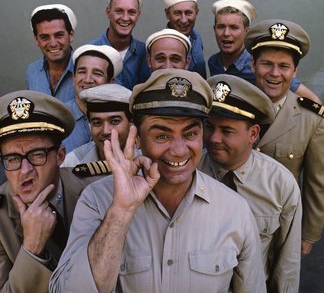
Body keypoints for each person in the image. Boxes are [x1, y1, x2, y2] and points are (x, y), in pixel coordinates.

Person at [50, 69, 266, 293]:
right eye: (162, 136)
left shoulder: (234, 209)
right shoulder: (97, 200)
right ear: (138, 139)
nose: (179, 150)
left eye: (190, 134)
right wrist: (121, 211)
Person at [200, 74, 302, 292]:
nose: (214, 138)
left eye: (227, 131)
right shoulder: (189, 172)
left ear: (253, 134)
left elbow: (287, 264)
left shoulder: (280, 184)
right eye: (209, 127)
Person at [0, 90, 96, 292]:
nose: (25, 171)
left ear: (60, 156)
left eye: (37, 155)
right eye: (13, 159)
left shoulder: (92, 187)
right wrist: (32, 247)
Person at [245, 19, 324, 258]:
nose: (275, 74)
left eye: (284, 66)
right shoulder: (236, 106)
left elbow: (316, 181)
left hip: (280, 230)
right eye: (266, 64)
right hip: (231, 225)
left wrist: (308, 234)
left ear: (295, 71)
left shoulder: (311, 118)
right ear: (252, 64)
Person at [208, 0, 320, 102]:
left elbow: (312, 100)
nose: (226, 33)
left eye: (234, 27)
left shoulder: (260, 64)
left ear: (247, 32)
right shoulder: (214, 62)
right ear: (214, 29)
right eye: (221, 27)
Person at [63, 44, 123, 153]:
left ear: (110, 82)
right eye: (82, 72)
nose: (88, 79)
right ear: (73, 78)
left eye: (97, 73)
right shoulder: (60, 118)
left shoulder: (122, 118)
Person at [89, 0, 150, 89]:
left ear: (138, 15)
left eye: (131, 12)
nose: (125, 18)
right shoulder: (90, 51)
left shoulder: (146, 54)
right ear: (108, 12)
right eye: (119, 11)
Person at [62, 83, 133, 168]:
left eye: (115, 121)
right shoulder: (73, 163)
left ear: (131, 124)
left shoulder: (145, 161)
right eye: (97, 123)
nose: (105, 131)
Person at [26, 4, 77, 103]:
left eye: (59, 35)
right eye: (44, 37)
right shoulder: (32, 71)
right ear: (36, 40)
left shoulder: (86, 70)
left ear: (71, 35)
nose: (53, 44)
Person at [162, 0, 207, 78]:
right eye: (177, 13)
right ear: (167, 14)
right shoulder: (161, 43)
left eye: (188, 13)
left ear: (196, 13)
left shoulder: (197, 37)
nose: (183, 20)